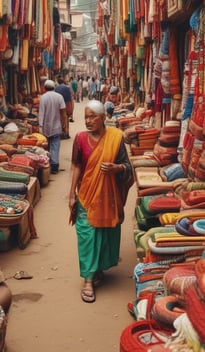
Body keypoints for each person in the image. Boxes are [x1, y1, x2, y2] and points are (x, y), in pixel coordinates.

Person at [68, 100, 134, 303]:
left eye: (92, 117)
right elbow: (76, 167)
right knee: (87, 236)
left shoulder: (115, 138)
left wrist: (117, 169)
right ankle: (87, 279)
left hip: (107, 196)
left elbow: (127, 167)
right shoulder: (79, 139)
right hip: (87, 196)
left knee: (104, 234)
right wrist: (71, 194)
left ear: (103, 117)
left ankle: (97, 269)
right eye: (86, 117)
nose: (87, 121)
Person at [39, 79, 67, 174]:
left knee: (46, 146)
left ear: (45, 88)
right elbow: (63, 112)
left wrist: (40, 125)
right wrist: (65, 125)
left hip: (46, 126)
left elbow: (41, 113)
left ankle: (46, 165)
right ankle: (54, 166)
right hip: (56, 126)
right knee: (55, 146)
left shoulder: (43, 97)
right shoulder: (59, 97)